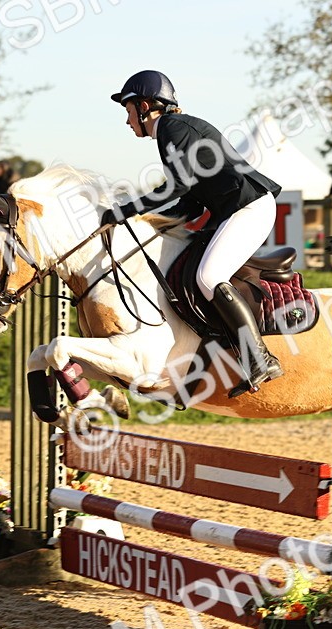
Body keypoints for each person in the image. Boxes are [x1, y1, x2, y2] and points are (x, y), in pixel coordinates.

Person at [101, 69, 283, 397]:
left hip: (250, 207)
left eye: (128, 111)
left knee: (209, 277)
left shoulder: (171, 128)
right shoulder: (175, 130)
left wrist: (127, 209)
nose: (127, 121)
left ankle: (259, 357)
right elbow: (190, 203)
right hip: (239, 208)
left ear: (144, 106)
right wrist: (146, 222)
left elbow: (178, 185)